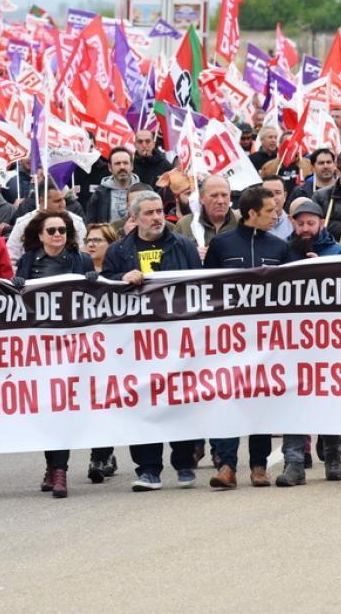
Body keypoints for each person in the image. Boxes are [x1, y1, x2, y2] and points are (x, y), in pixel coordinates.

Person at [102, 190, 203, 491]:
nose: (157, 217)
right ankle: (148, 469)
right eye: (149, 213)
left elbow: (200, 285)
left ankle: (184, 463)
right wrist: (121, 278)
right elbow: (105, 290)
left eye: (159, 211)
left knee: (180, 401)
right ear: (134, 218)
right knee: (143, 404)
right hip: (137, 344)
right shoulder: (118, 251)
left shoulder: (183, 245)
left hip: (177, 340)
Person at [202, 185, 290, 489]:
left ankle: (258, 466)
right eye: (270, 211)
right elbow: (205, 289)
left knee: (260, 402)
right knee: (227, 401)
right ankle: (227, 465)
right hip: (229, 341)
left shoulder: (280, 248)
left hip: (268, 342)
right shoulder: (221, 245)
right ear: (252, 213)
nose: (276, 215)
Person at [15, 211, 96, 498]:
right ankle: (52, 466)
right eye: (51, 231)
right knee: (48, 409)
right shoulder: (28, 262)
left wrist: (93, 282)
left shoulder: (81, 260)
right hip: (40, 347)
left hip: (73, 347)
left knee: (63, 409)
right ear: (40, 235)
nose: (57, 235)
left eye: (62, 230)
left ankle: (60, 471)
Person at [279, 198, 341, 483]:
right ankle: (293, 463)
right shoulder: (283, 251)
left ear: (321, 223)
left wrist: (325, 270)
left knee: (329, 399)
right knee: (293, 400)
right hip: (292, 342)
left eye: (311, 223)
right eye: (300, 223)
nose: (305, 228)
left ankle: (333, 457)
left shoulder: (339, 252)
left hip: (329, 342)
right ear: (292, 223)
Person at [80, 222, 121, 481]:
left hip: (113, 348)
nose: (91, 245)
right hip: (84, 350)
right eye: (89, 240)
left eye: (98, 240)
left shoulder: (118, 272)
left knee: (106, 403)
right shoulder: (76, 269)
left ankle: (101, 456)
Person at [8, 181, 88, 262]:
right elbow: (12, 258)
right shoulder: (24, 224)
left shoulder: (76, 222)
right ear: (41, 200)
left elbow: (83, 255)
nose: (62, 204)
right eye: (57, 201)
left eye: (64, 199)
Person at [173, 175, 237, 258]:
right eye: (214, 196)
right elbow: (173, 258)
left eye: (224, 195)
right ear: (201, 198)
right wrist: (191, 254)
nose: (221, 201)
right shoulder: (185, 224)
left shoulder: (242, 221)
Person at [86, 147, 140, 223]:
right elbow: (90, 224)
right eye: (117, 163)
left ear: (132, 166)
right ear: (110, 167)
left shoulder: (143, 191)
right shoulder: (99, 194)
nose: (122, 167)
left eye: (125, 163)